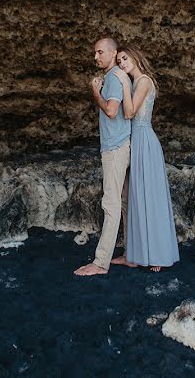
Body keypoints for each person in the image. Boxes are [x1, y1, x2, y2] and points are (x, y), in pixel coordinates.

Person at [110, 45, 180, 272]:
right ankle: (133, 254)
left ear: (135, 57)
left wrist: (121, 82)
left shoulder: (144, 81)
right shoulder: (134, 83)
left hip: (145, 141)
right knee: (133, 197)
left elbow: (129, 113)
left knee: (150, 198)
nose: (122, 63)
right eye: (119, 60)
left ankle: (158, 255)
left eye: (125, 58)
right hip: (134, 141)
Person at [74, 37, 131, 277]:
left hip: (115, 148)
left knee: (111, 202)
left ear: (112, 53)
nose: (95, 57)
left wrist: (95, 91)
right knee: (125, 201)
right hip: (120, 145)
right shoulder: (114, 77)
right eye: (94, 53)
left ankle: (100, 262)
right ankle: (132, 253)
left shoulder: (115, 78)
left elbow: (110, 110)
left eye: (99, 52)